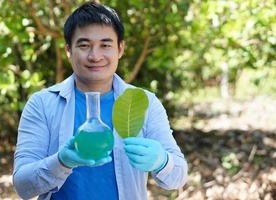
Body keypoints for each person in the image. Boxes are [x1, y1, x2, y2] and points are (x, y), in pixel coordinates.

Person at [13, 2, 187, 200]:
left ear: (120, 49)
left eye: (105, 45)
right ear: (69, 50)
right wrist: (61, 162)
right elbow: (22, 185)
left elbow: (178, 177)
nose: (95, 56)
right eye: (84, 45)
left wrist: (162, 161)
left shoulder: (143, 103)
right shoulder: (42, 105)